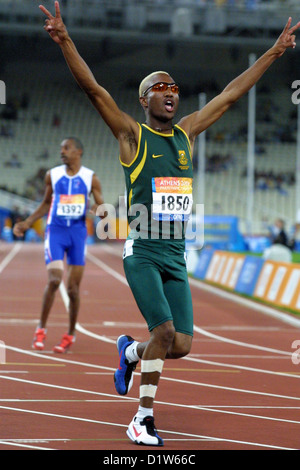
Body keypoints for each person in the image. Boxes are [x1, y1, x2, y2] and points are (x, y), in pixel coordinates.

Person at [39, 1, 300, 446]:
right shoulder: (131, 136)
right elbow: (94, 90)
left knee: (180, 344)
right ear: (145, 100)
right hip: (142, 250)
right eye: (160, 87)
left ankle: (130, 352)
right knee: (163, 331)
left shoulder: (186, 134)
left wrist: (275, 52)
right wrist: (65, 41)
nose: (170, 92)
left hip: (175, 256)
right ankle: (141, 418)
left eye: (174, 86)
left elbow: (231, 95)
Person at [13, 137, 104, 353]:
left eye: (67, 148)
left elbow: (102, 204)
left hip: (77, 234)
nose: (62, 151)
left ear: (78, 151)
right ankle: (41, 329)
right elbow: (46, 203)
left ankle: (70, 334)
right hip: (56, 231)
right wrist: (27, 223)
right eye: (61, 148)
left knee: (73, 289)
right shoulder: (52, 175)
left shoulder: (90, 178)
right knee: (54, 280)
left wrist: (100, 209)